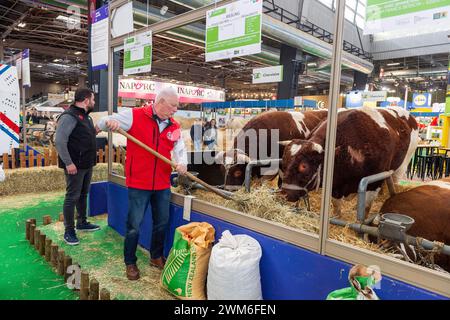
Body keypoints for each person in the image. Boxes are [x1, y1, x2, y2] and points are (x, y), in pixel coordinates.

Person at [96, 87, 188, 281]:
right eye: (173, 105)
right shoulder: (134, 115)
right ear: (161, 101)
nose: (175, 110)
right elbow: (101, 123)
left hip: (162, 183)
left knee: (161, 223)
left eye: (177, 106)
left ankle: (155, 257)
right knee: (133, 225)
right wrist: (109, 123)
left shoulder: (174, 126)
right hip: (139, 182)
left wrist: (182, 163)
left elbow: (180, 148)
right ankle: (130, 262)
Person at [55, 88, 100, 246]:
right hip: (75, 165)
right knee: (72, 197)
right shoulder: (69, 116)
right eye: (93, 100)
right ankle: (69, 230)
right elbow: (60, 141)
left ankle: (82, 222)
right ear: (86, 100)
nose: (94, 102)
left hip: (86, 163)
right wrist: (68, 163)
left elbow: (82, 136)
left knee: (83, 194)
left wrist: (96, 131)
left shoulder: (86, 117)